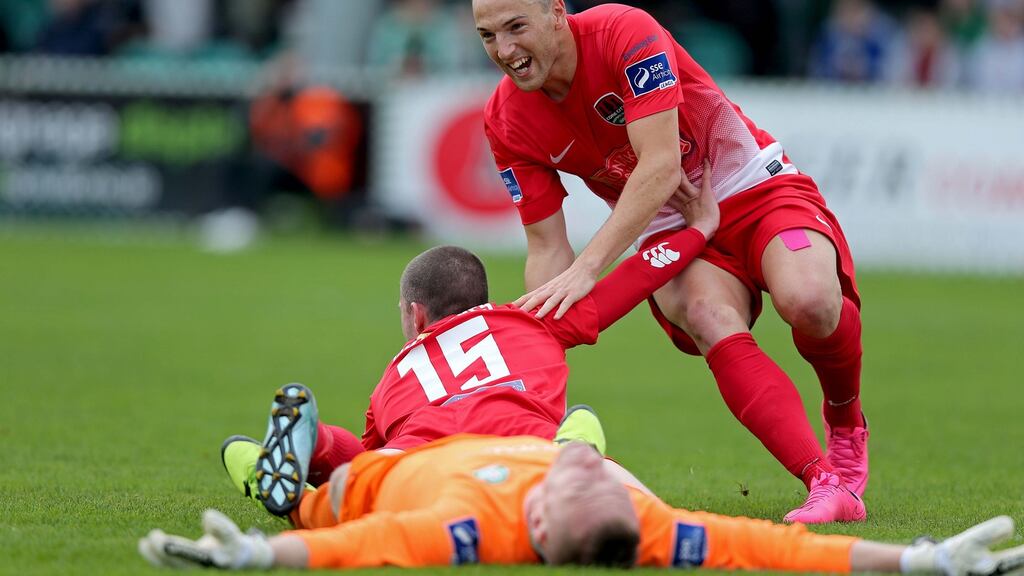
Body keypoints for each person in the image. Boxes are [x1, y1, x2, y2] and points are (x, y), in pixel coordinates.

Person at [475, 0, 870, 522]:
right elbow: (547, 248)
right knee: (709, 317)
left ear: (555, 13)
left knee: (812, 302)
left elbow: (661, 166)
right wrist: (540, 343)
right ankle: (824, 482)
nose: (505, 51)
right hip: (668, 225)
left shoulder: (623, 30)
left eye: (516, 27)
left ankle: (844, 420)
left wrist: (589, 268)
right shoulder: (505, 120)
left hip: (751, 184)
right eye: (487, 36)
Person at [220, 169, 719, 516]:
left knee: (353, 489)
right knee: (640, 513)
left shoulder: (393, 378)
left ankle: (300, 447)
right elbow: (634, 276)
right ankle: (578, 449)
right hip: (526, 445)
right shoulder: (534, 320)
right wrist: (697, 230)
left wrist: (342, 461)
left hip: (422, 456)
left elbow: (365, 462)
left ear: (416, 315)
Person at [140, 435, 1024, 573]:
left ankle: (271, 481)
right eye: (599, 477)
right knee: (576, 425)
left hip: (372, 473)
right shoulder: (640, 525)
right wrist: (920, 559)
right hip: (498, 428)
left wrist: (262, 553)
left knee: (300, 476)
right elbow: (773, 549)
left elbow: (366, 544)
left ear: (543, 528)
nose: (597, 475)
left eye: (584, 478)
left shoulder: (469, 528)